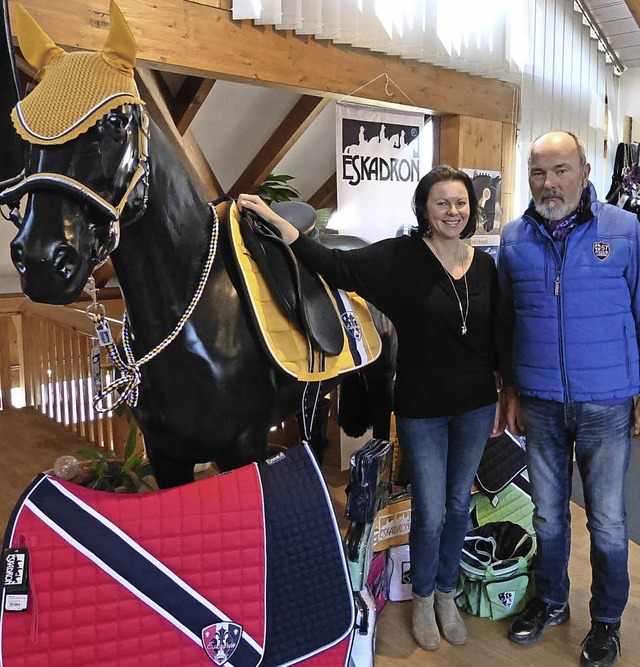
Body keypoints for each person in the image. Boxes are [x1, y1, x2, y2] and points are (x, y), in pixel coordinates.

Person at [238, 164, 507, 651]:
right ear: (425, 208)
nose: (453, 211)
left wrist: (506, 395)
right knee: (429, 509)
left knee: (457, 503)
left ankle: (447, 593)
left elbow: (497, 336)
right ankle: (424, 599)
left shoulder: (485, 265)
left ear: (472, 208)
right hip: (423, 408)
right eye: (442, 202)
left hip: (475, 405)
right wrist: (280, 225)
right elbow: (335, 266)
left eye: (461, 203)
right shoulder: (402, 258)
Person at [498, 130, 640, 667]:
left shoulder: (625, 230)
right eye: (538, 172)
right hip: (539, 400)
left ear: (584, 170)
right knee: (548, 516)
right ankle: (552, 600)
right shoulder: (515, 238)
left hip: (606, 400)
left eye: (560, 170)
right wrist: (509, 388)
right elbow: (507, 323)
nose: (549, 182)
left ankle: (605, 620)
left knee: (606, 519)